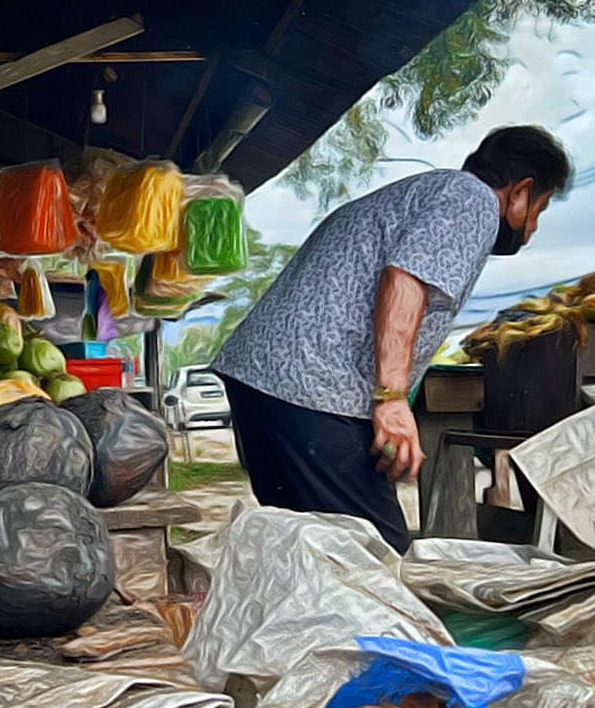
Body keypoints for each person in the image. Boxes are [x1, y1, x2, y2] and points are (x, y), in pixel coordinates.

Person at [212, 124, 573, 552]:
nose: (530, 230)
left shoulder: (418, 195)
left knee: (308, 552)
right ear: (520, 191)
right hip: (313, 387)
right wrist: (391, 398)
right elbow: (405, 278)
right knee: (375, 555)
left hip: (263, 380)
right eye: (539, 209)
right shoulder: (470, 198)